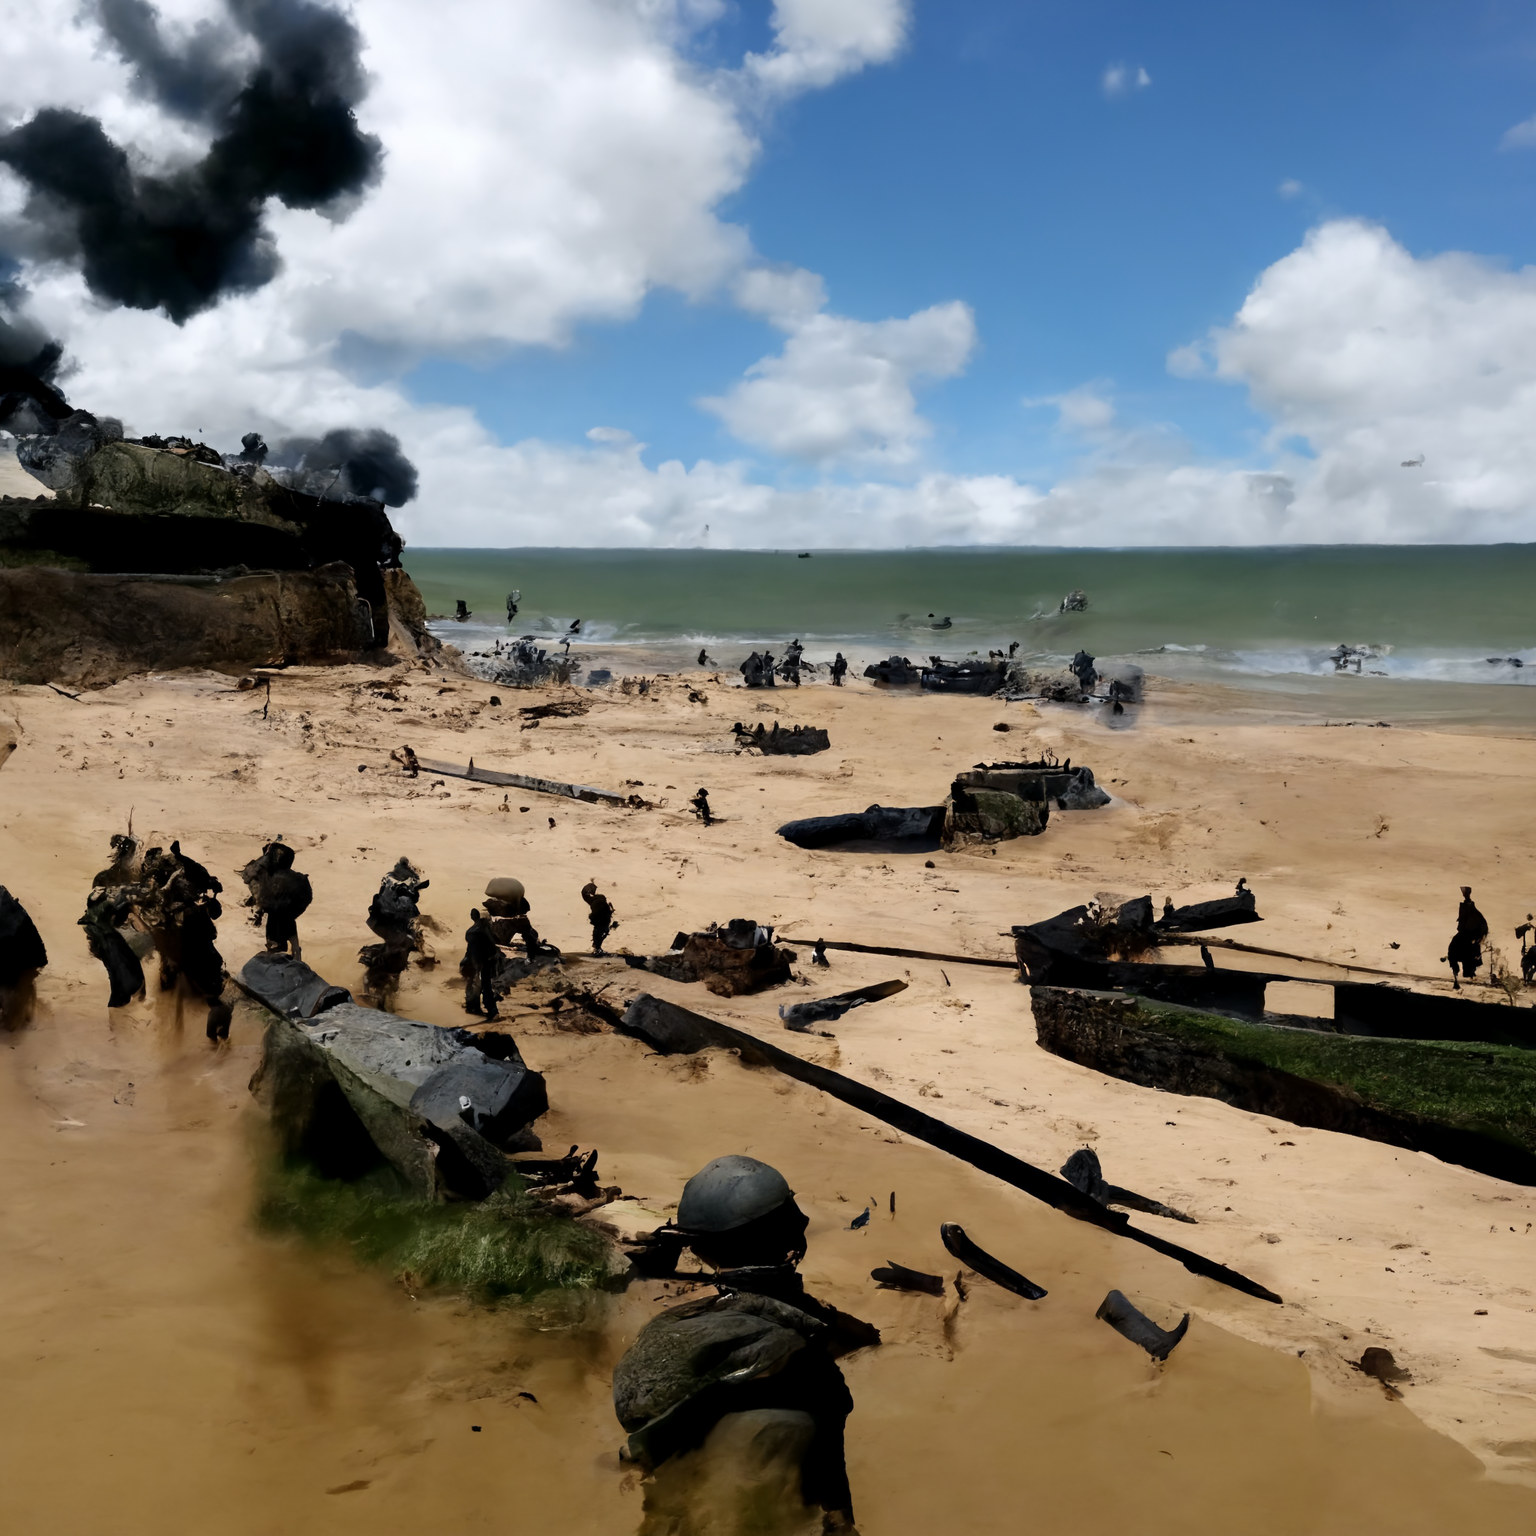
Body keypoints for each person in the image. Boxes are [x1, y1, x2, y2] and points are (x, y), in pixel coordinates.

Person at [240, 842, 313, 961]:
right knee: (285, 917)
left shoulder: (271, 873)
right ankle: (293, 951)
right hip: (297, 895)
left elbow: (262, 891)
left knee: (278, 917)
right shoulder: (276, 869)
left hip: (291, 895)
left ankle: (278, 948)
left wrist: (258, 906)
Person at [460, 908, 502, 1017]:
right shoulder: (484, 928)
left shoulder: (470, 931)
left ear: (473, 917)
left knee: (473, 984)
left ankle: (472, 1007)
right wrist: (494, 955)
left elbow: (470, 949)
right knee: (485, 985)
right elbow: (492, 944)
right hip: (484, 961)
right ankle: (491, 1010)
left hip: (473, 961)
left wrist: (466, 960)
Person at [1446, 885, 1489, 989]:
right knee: (1453, 951)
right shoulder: (1470, 910)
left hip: (1469, 935)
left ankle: (1468, 973)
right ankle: (1458, 978)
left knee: (1465, 953)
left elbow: (1480, 927)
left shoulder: (1473, 912)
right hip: (1465, 935)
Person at [581, 880, 616, 955]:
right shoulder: (600, 901)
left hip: (599, 920)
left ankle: (597, 947)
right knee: (602, 932)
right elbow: (606, 911)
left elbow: (584, 895)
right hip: (602, 920)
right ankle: (597, 948)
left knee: (599, 932)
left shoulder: (593, 901)